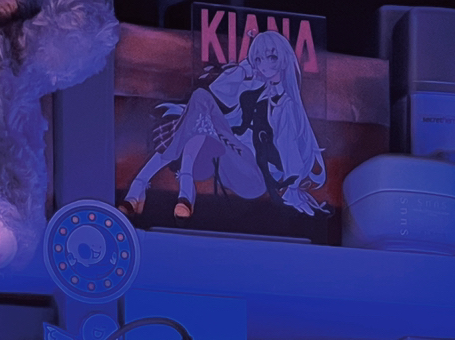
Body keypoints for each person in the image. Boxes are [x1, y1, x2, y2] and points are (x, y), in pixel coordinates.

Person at [125, 27, 325, 219]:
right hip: (227, 159)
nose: (264, 64)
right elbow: (217, 90)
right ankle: (172, 185)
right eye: (258, 59)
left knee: (200, 108)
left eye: (271, 57)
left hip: (253, 177)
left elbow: (289, 149)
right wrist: (242, 70)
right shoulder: (255, 87)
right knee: (200, 104)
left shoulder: (285, 105)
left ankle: (149, 184)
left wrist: (292, 187)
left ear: (284, 59)